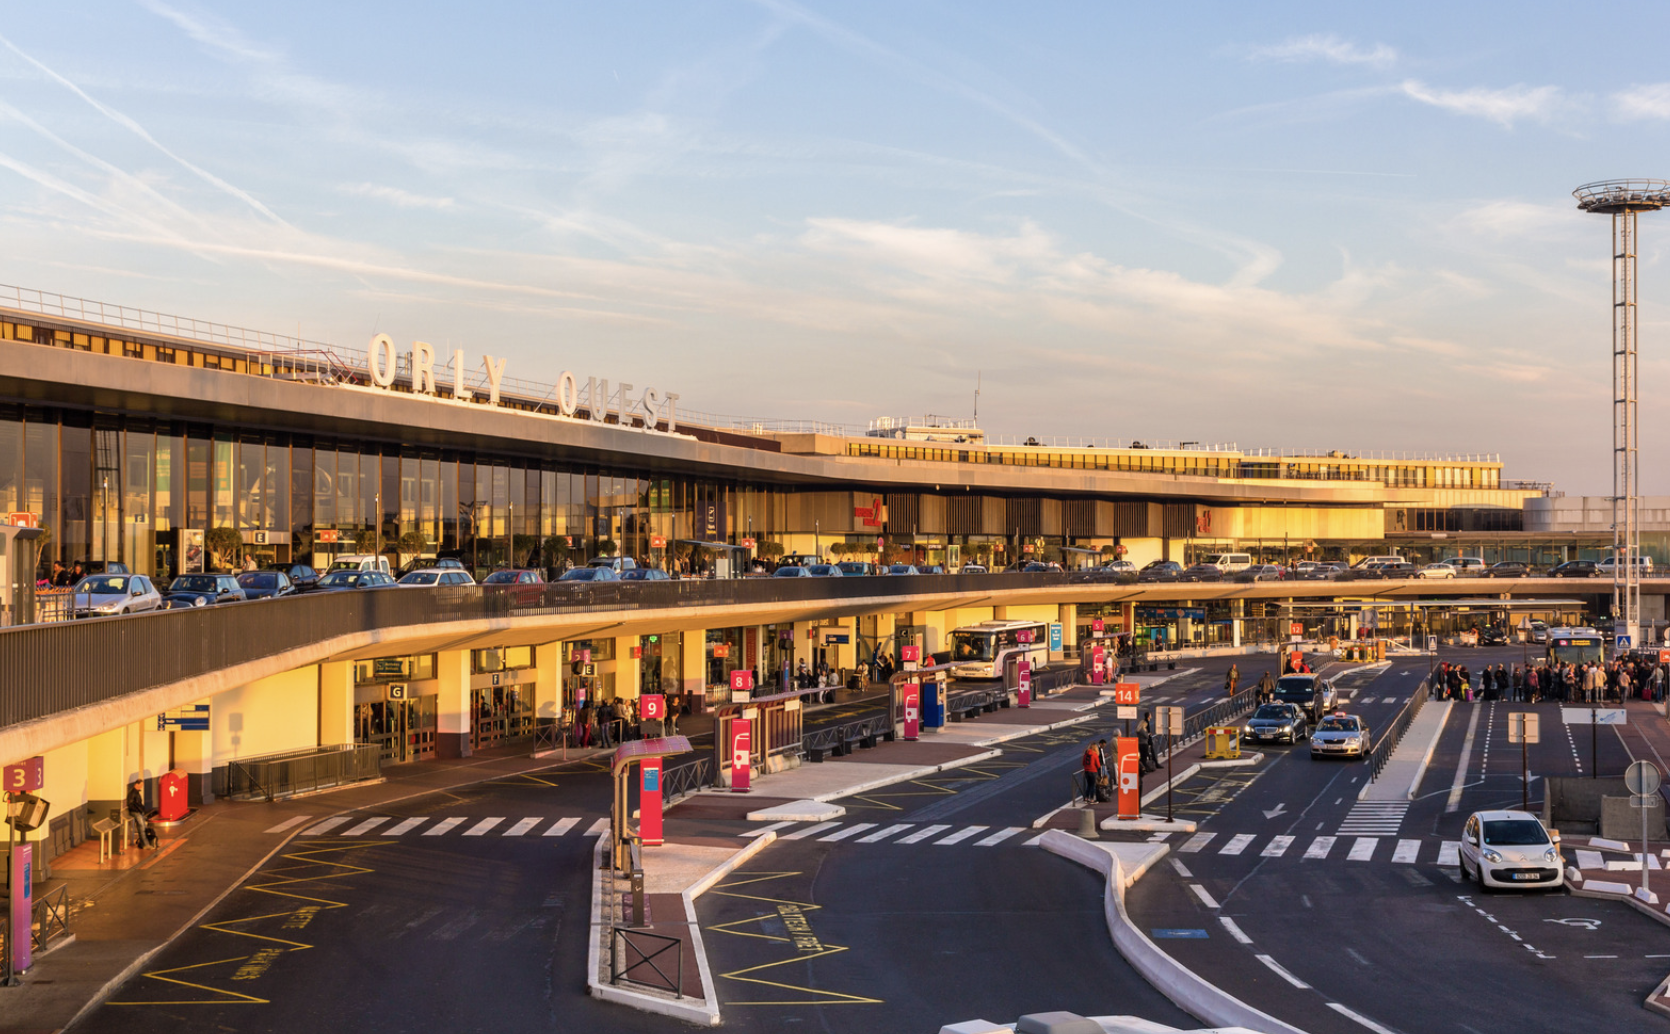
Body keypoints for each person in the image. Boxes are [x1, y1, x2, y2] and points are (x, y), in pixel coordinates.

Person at [126, 779, 157, 848]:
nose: (141, 787)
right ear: (137, 784)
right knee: (142, 828)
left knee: (143, 827)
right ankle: (146, 844)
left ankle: (145, 843)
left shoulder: (135, 792)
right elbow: (131, 804)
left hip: (138, 812)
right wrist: (139, 810)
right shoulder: (133, 793)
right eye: (141, 785)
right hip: (136, 812)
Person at [1081, 738, 1104, 804]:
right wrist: (1100, 773)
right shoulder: (1095, 755)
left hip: (1086, 772)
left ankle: (1086, 798)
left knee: (1088, 785)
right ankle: (1092, 799)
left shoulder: (1086, 754)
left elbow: (1083, 763)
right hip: (1093, 771)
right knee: (1093, 785)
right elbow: (1098, 765)